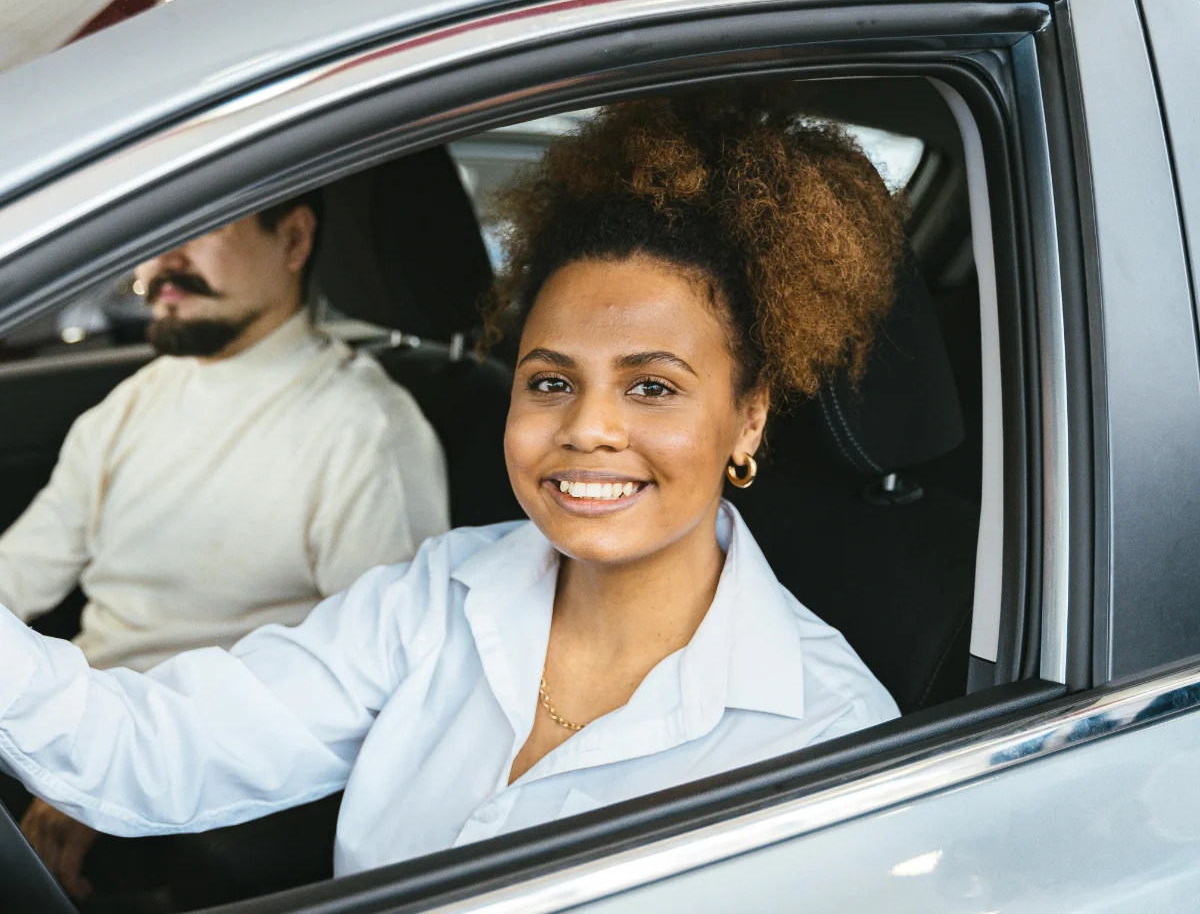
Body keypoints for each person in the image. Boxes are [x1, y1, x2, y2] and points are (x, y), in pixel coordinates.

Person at [0, 94, 903, 883]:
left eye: (652, 386)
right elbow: (151, 749)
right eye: (550, 380)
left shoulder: (827, 735)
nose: (587, 428)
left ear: (748, 418)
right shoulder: (435, 598)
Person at [0, 194, 450, 898]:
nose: (162, 262)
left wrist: (97, 784)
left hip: (202, 786)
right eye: (153, 228)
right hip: (65, 726)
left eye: (199, 225)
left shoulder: (364, 433)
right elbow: (17, 572)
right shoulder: (136, 401)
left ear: (295, 239)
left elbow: (386, 690)